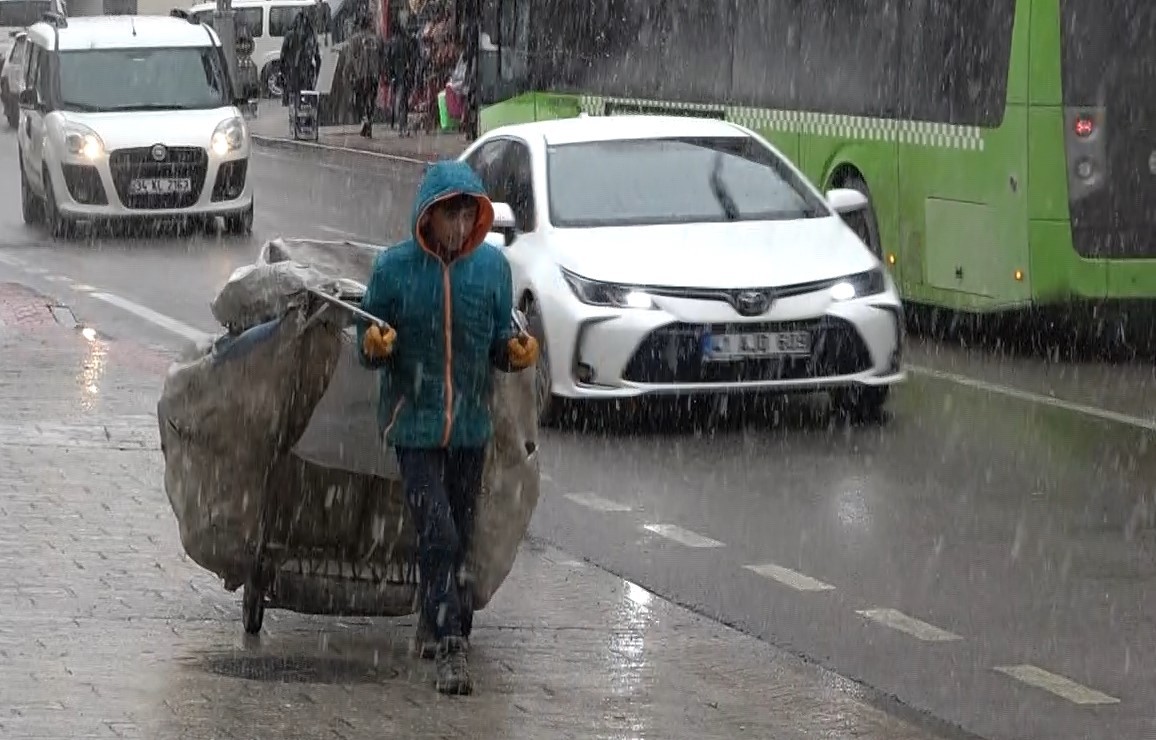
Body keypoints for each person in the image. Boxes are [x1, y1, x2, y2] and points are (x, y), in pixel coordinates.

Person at [357, 160, 539, 695]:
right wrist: (373, 346)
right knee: (438, 529)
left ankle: (440, 615)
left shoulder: (491, 272)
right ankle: (451, 642)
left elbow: (498, 338)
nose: (457, 228)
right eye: (448, 216)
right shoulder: (394, 270)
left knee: (459, 533)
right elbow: (369, 337)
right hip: (413, 425)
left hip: (470, 429)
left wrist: (512, 352)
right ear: (428, 217)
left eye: (466, 216)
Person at [344, 14, 383, 137]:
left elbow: (350, 59)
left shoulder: (354, 40)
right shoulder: (376, 39)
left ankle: (365, 120)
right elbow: (382, 57)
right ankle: (368, 121)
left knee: (360, 100)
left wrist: (347, 72)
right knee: (371, 99)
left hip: (360, 74)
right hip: (374, 74)